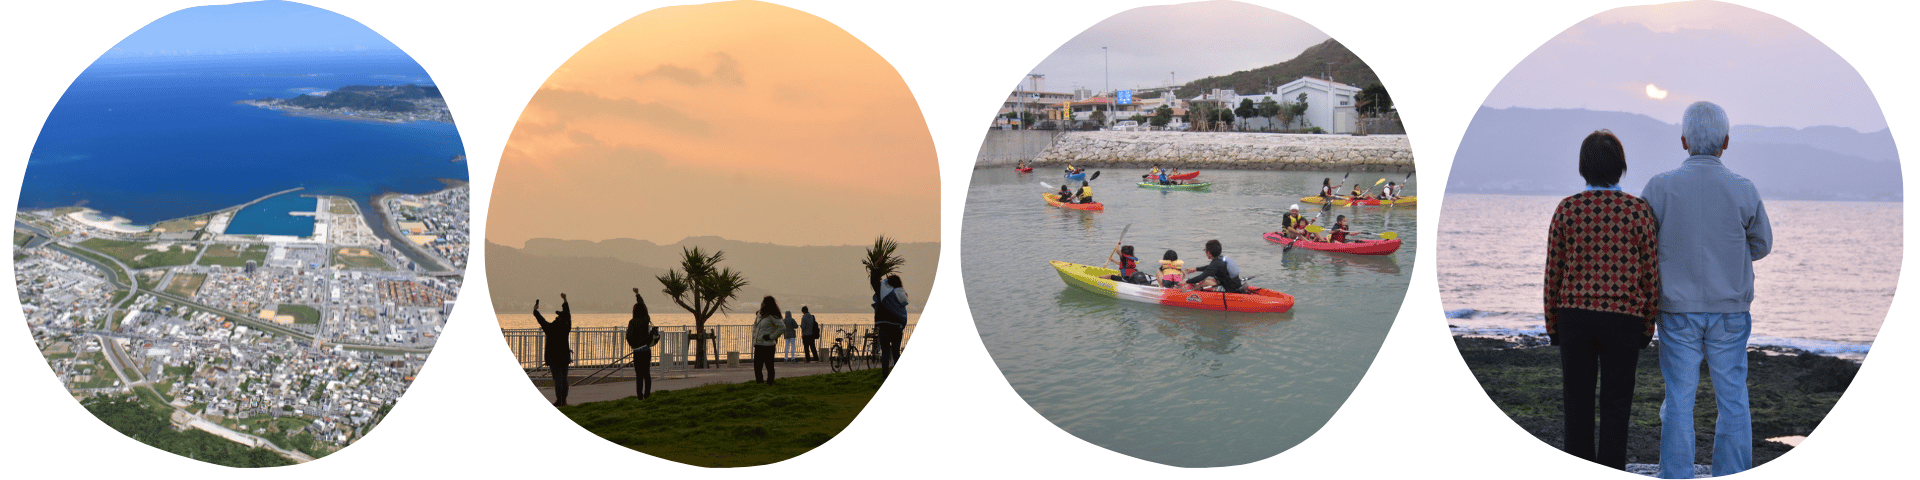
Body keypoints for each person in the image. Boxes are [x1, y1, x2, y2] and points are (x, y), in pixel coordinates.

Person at [1641, 102, 1771, 479]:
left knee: (1679, 398)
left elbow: (1645, 244)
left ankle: (1677, 473)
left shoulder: (1658, 187)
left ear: (1683, 141)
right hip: (1730, 309)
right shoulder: (1743, 189)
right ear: (1726, 142)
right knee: (1733, 399)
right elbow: (1761, 245)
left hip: (1676, 308)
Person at [1544, 130, 1661, 470]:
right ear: (1620, 168)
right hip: (1624, 318)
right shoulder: (1637, 211)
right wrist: (1647, 325)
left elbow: (1554, 273)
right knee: (1616, 407)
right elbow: (1650, 274)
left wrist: (1553, 325)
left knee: (1576, 405)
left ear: (1584, 168)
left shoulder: (1567, 210)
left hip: (1574, 316)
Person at [533, 294, 572, 406]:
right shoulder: (566, 327)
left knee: (558, 380)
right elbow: (568, 315)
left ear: (559, 318)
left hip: (554, 358)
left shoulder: (551, 328)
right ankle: (563, 400)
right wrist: (565, 301)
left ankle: (559, 400)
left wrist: (536, 312)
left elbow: (542, 321)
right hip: (564, 357)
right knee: (564, 379)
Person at [871, 272, 909, 379]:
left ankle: (885, 376)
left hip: (885, 327)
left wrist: (876, 269)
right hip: (897, 327)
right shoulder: (902, 294)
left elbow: (875, 283)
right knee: (896, 352)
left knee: (886, 352)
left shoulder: (885, 294)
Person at [623, 288, 655, 400]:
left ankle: (639, 395)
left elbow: (628, 336)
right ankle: (647, 394)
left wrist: (633, 344)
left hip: (637, 351)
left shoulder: (632, 322)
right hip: (646, 349)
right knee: (647, 373)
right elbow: (644, 307)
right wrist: (638, 295)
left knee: (639, 374)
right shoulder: (646, 319)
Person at [751, 296, 783, 385]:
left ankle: (770, 383)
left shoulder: (772, 316)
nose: (762, 304)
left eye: (764, 302)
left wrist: (771, 337)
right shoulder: (759, 314)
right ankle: (759, 383)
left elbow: (782, 327)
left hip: (768, 345)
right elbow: (755, 326)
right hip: (758, 344)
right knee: (757, 366)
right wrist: (754, 336)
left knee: (769, 366)